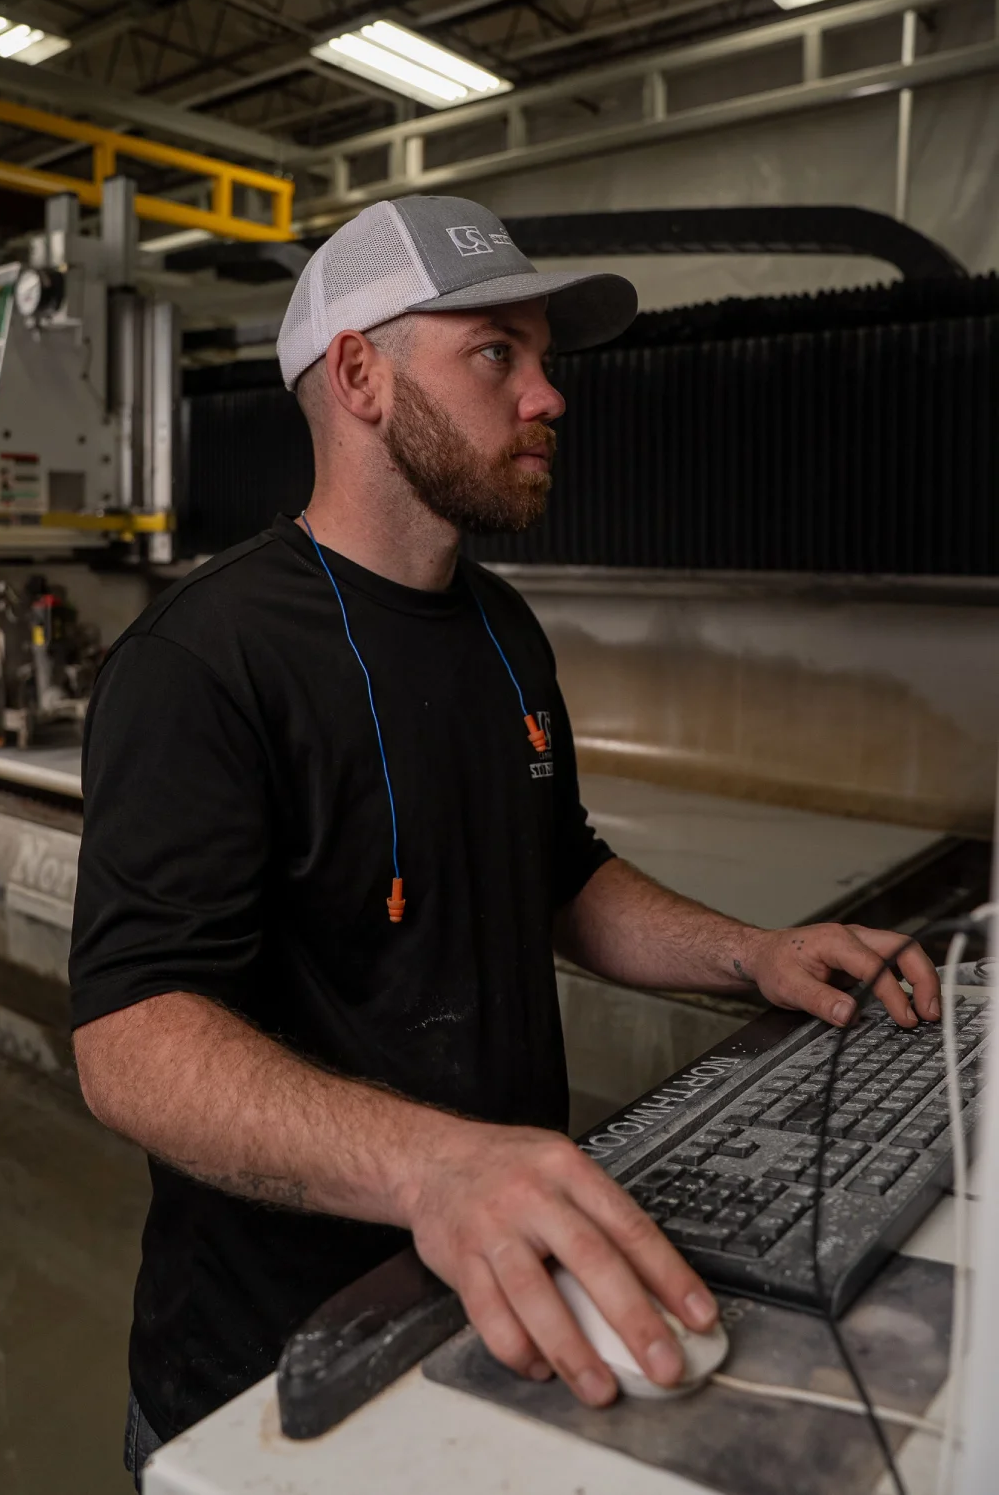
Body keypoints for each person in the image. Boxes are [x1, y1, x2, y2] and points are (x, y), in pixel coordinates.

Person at [69, 195, 940, 1486]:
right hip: (275, 1368)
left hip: (501, 1284)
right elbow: (131, 1040)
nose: (548, 397)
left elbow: (560, 872)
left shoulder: (501, 627)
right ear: (361, 372)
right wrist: (435, 1166)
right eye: (496, 353)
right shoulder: (207, 659)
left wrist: (749, 953)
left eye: (544, 359)